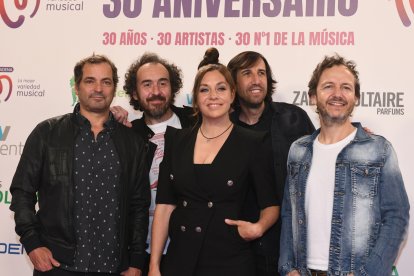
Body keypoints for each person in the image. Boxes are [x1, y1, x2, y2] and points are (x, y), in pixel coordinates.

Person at [10, 54, 151, 276]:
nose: (98, 88)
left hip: (114, 268)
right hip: (58, 265)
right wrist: (32, 243)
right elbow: (22, 192)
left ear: (114, 89)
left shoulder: (132, 142)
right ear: (77, 87)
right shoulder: (47, 133)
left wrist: (135, 261)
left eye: (106, 82)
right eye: (90, 81)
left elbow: (139, 206)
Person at [148, 49, 279, 276]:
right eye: (204, 90)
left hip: (230, 260)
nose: (213, 96)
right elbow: (165, 206)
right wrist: (154, 265)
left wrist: (258, 228)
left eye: (220, 88)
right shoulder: (177, 141)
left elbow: (271, 205)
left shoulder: (253, 143)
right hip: (180, 260)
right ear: (196, 98)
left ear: (232, 95)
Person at [279, 54, 410, 276]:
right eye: (328, 86)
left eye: (346, 88)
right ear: (312, 97)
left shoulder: (379, 150)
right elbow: (288, 213)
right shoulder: (298, 151)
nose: (337, 94)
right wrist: (288, 267)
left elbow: (397, 217)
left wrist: (368, 273)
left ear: (356, 98)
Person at [227, 51, 315, 275]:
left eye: (261, 73)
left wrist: (353, 136)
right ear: (233, 83)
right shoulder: (223, 127)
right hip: (239, 246)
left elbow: (325, 150)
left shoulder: (294, 118)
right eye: (247, 73)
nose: (256, 80)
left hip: (288, 246)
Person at [114, 53, 195, 275]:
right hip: (141, 252)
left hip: (190, 249)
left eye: (163, 83)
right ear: (134, 93)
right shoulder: (127, 135)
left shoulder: (196, 123)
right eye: (147, 84)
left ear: (173, 87)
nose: (156, 92)